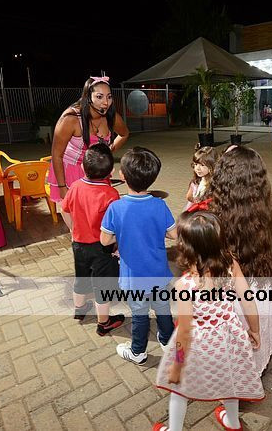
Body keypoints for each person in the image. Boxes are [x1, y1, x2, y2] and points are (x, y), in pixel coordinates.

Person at [154, 211, 264, 431]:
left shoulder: (185, 285)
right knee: (230, 382)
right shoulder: (230, 265)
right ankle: (232, 422)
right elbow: (247, 300)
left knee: (179, 390)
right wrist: (255, 330)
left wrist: (177, 364)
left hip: (198, 344)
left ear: (186, 247)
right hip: (229, 335)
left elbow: (184, 331)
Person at [211, 146, 272, 375]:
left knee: (237, 347)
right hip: (255, 289)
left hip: (234, 298)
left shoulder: (216, 222)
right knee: (253, 337)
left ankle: (238, 381)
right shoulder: (264, 212)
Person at [100, 147, 175, 364]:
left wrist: (124, 235)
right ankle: (168, 341)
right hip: (158, 272)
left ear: (122, 176)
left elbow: (105, 240)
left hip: (133, 277)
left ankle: (138, 352)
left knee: (140, 314)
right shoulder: (160, 205)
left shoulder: (116, 208)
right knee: (163, 309)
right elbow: (174, 234)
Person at [61, 144, 125, 335]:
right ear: (110, 172)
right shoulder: (111, 194)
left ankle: (80, 309)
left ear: (82, 167)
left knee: (81, 277)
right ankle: (103, 322)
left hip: (79, 244)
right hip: (101, 247)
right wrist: (117, 246)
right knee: (102, 286)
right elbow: (115, 225)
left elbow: (64, 210)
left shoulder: (75, 186)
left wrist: (72, 229)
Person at [48, 76, 129, 226]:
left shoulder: (111, 116)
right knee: (77, 225)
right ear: (88, 97)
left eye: (109, 97)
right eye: (99, 96)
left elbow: (124, 134)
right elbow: (56, 155)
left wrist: (106, 153)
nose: (106, 102)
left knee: (100, 221)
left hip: (97, 172)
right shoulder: (71, 118)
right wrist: (62, 187)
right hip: (70, 173)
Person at [184, 146, 217, 211]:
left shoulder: (214, 184)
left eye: (202, 165)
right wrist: (195, 202)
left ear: (212, 166)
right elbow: (188, 196)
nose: (197, 168)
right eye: (196, 164)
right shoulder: (196, 181)